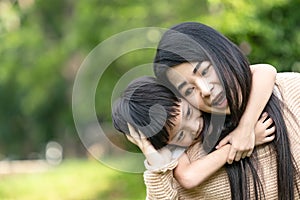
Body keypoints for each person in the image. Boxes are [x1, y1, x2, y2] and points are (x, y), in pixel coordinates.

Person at [147, 21, 300, 199]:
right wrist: (153, 155)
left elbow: (263, 71)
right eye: (189, 90)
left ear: (222, 55)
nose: (205, 91)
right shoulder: (194, 156)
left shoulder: (291, 91)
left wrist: (246, 128)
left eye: (205, 71)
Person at [112, 76, 275, 189]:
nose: (195, 127)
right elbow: (189, 178)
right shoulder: (171, 148)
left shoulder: (203, 95)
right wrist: (238, 144)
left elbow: (265, 71)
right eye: (181, 135)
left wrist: (245, 129)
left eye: (188, 114)